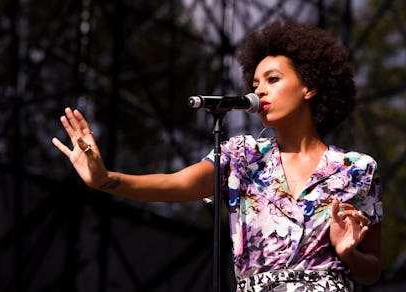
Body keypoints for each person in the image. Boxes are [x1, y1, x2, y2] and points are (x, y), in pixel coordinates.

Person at [52, 19, 383, 291]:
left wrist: (348, 253)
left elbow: (371, 270)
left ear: (309, 86)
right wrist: (106, 179)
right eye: (255, 83)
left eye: (273, 79)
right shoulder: (242, 157)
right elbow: (177, 184)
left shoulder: (358, 169)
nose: (259, 91)